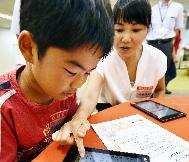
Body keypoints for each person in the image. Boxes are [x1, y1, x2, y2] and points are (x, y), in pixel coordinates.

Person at [0, 0, 114, 162]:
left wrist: (76, 126)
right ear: (29, 48)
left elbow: (71, 124)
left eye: (88, 73)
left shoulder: (61, 89)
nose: (79, 84)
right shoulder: (5, 108)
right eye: (71, 71)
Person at [53, 0, 167, 150]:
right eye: (119, 30)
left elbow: (159, 90)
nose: (126, 38)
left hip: (142, 117)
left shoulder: (157, 58)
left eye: (136, 30)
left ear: (147, 30)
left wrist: (157, 114)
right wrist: (78, 118)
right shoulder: (103, 57)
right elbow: (90, 96)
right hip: (109, 114)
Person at [146, 0, 184, 94]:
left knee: (170, 72)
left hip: (167, 44)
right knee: (151, 71)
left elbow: (177, 32)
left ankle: (161, 87)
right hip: (152, 43)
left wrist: (174, 51)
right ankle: (153, 91)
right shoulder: (152, 9)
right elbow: (147, 29)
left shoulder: (178, 7)